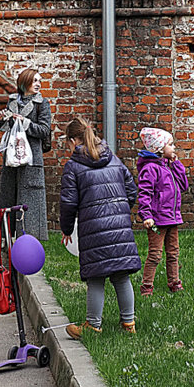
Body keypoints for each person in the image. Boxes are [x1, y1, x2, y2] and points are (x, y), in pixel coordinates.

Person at [59, 117, 141, 337]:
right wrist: (121, 210)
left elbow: (68, 203)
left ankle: (93, 325)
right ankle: (129, 323)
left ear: (74, 141)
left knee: (96, 277)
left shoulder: (73, 166)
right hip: (120, 225)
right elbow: (131, 190)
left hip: (93, 228)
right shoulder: (113, 158)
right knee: (121, 275)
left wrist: (66, 229)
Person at [0, 68, 52, 240]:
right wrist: (2, 119)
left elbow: (44, 130)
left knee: (30, 205)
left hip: (31, 160)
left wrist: (25, 122)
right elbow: (7, 131)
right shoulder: (12, 102)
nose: (38, 84)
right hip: (12, 159)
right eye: (34, 80)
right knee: (9, 200)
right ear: (24, 82)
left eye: (39, 80)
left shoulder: (42, 103)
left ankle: (29, 243)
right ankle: (7, 240)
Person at [137, 126, 189, 296]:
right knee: (155, 254)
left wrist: (176, 164)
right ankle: (147, 287)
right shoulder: (150, 169)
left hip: (172, 219)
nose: (174, 148)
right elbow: (144, 193)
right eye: (171, 145)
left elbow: (184, 185)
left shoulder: (169, 166)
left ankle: (174, 282)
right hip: (157, 221)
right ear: (159, 148)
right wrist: (146, 215)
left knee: (173, 252)